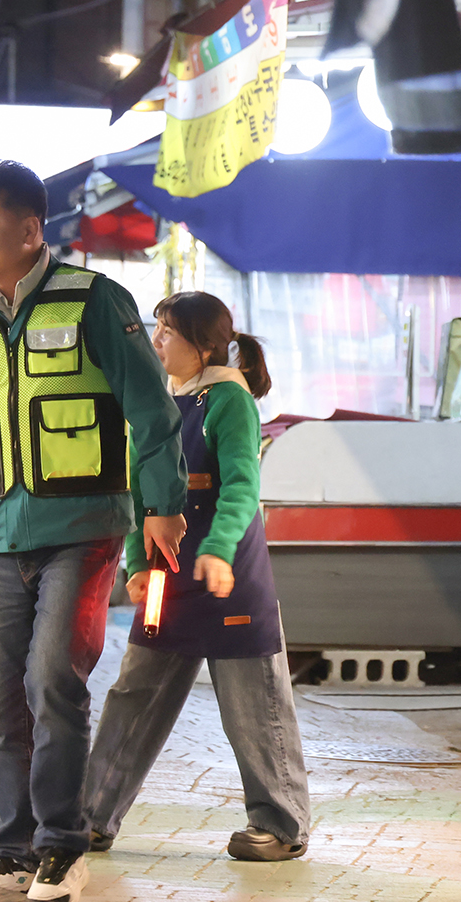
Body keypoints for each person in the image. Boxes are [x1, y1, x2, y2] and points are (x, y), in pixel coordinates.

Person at [0, 159, 187, 902]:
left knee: (53, 680)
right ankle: (14, 848)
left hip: (82, 532)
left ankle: (62, 845)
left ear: (30, 229)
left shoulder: (96, 300)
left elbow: (151, 411)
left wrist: (161, 504)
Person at [82, 291, 313, 862]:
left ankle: (281, 826)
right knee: (134, 692)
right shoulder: (159, 402)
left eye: (166, 331)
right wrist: (137, 565)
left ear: (203, 345)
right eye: (155, 329)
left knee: (254, 703)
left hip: (230, 574)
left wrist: (217, 550)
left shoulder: (229, 401)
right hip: (168, 576)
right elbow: (141, 491)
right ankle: (90, 818)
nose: (156, 341)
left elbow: (241, 488)